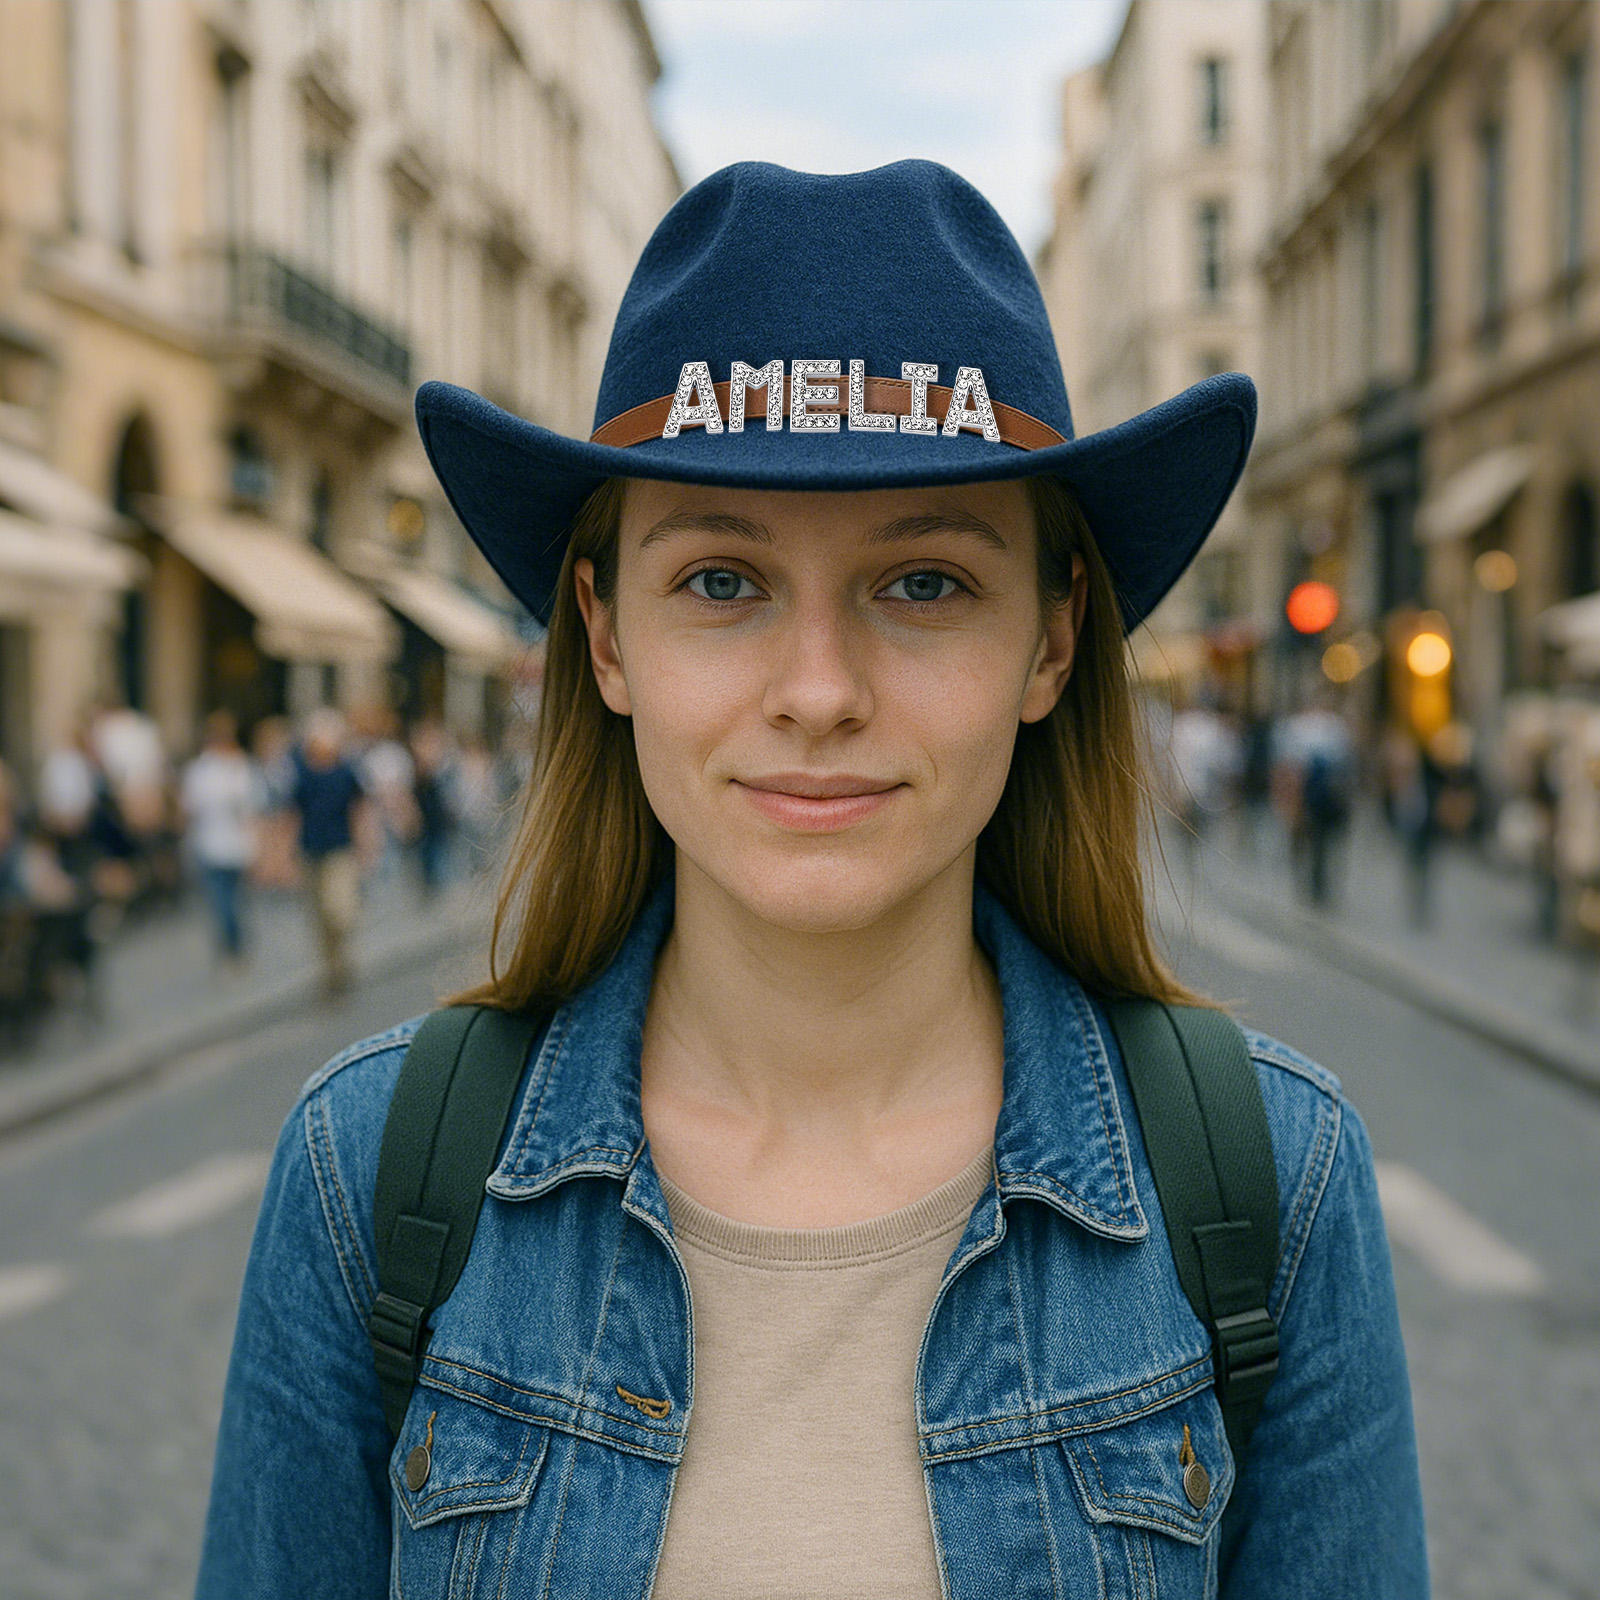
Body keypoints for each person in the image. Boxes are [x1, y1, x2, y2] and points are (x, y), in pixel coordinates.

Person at [198, 162, 1427, 1597]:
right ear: (605, 639)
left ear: (1050, 640)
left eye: (925, 583)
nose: (820, 690)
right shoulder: (368, 1180)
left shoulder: (1275, 1185)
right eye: (722, 580)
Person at [288, 708, 370, 999]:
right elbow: (292, 813)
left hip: (340, 850)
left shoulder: (346, 771)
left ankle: (341, 959)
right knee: (318, 916)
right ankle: (331, 971)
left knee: (341, 911)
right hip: (310, 851)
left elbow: (359, 809)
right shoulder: (301, 772)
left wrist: (366, 845)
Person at [178, 710, 261, 974]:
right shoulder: (201, 771)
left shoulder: (238, 768)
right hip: (210, 846)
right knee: (221, 903)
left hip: (235, 846)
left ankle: (234, 948)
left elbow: (250, 808)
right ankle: (230, 950)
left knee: (232, 903)